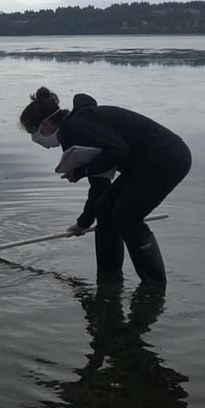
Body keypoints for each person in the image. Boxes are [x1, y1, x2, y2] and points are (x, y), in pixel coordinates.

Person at [19, 87, 191, 284]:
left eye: (34, 132)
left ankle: (154, 287)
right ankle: (109, 279)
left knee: (127, 217)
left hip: (166, 157)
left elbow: (119, 151)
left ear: (47, 123)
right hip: (144, 163)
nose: (35, 139)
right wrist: (83, 223)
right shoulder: (72, 133)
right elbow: (100, 186)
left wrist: (81, 171)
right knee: (105, 209)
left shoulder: (78, 126)